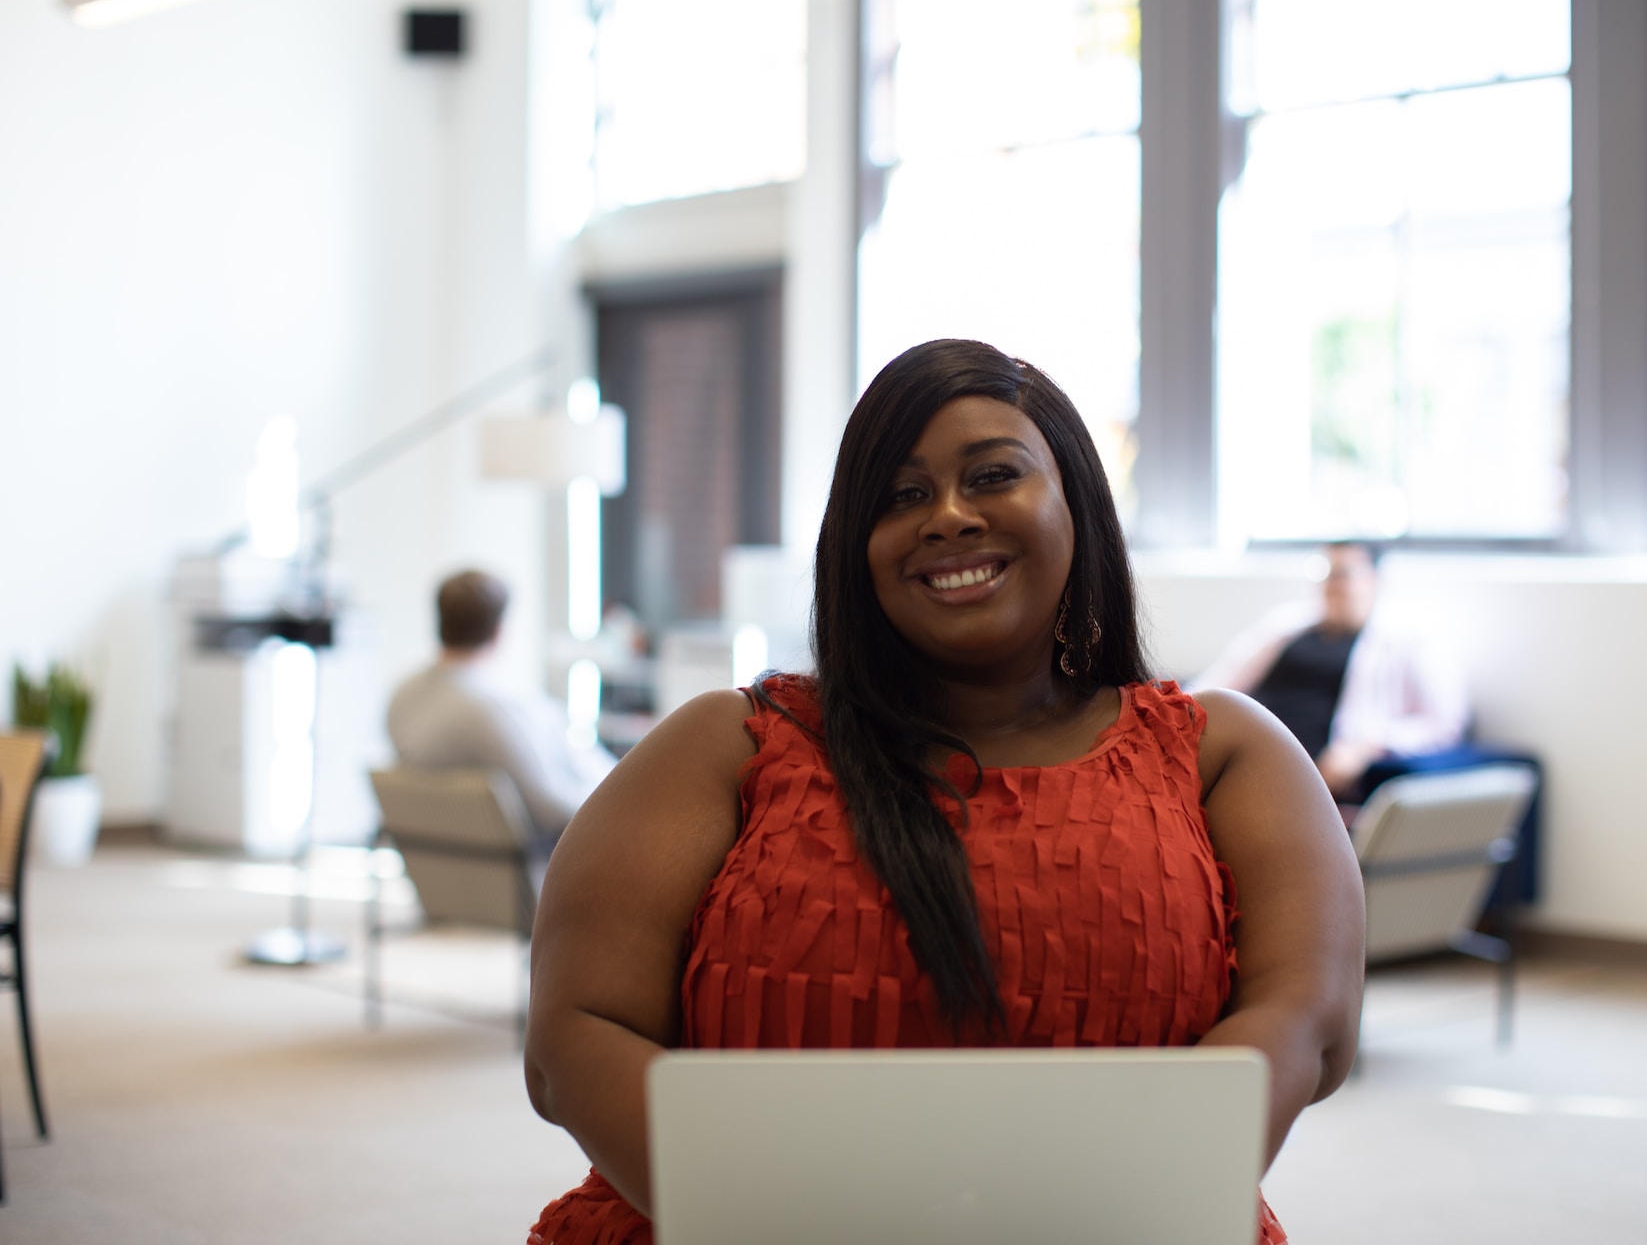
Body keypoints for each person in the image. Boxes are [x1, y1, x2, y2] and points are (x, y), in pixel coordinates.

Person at [522, 340, 1364, 1243]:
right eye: (902, 495)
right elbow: (576, 1034)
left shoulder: (1221, 755)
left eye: (992, 475)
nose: (950, 517)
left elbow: (1306, 1017)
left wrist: (1134, 1192)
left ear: (1076, 499)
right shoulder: (725, 747)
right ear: (856, 543)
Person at [1190, 542, 1469, 804]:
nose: (1331, 585)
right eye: (1324, 573)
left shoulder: (1408, 640)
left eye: (1343, 574)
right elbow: (1218, 683)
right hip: (1238, 753)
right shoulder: (1285, 627)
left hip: (1306, 776)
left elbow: (1443, 725)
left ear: (1373, 580)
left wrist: (1364, 748)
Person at [387, 570, 616, 843]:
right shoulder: (493, 711)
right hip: (537, 862)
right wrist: (620, 806)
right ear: (498, 630)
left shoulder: (402, 696)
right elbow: (549, 806)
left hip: (448, 858)